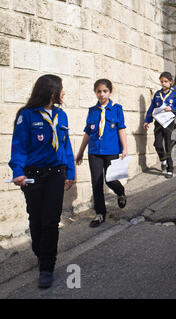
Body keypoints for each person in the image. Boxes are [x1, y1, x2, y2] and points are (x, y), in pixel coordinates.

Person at [9, 74, 75, 288]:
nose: (64, 93)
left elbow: (66, 146)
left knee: (51, 220)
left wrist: (70, 172)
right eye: (61, 89)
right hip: (33, 175)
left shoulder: (61, 116)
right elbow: (19, 146)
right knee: (36, 219)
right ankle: (40, 251)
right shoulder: (26, 116)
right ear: (52, 92)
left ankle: (47, 266)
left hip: (56, 173)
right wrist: (17, 171)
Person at [75, 79, 128, 228]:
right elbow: (87, 132)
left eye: (105, 91)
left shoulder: (117, 109)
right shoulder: (92, 110)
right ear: (95, 92)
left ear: (110, 92)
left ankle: (120, 191)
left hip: (111, 151)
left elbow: (121, 129)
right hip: (94, 151)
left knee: (110, 179)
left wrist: (124, 148)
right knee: (96, 182)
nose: (102, 94)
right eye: (99, 91)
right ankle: (100, 214)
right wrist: (80, 152)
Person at [144, 72, 176, 178]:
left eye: (166, 81)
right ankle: (163, 159)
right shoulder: (157, 94)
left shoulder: (175, 94)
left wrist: (172, 109)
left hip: (169, 122)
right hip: (158, 122)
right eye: (162, 81)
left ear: (171, 82)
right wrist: (147, 120)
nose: (163, 83)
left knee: (168, 145)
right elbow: (152, 108)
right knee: (157, 144)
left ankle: (170, 169)